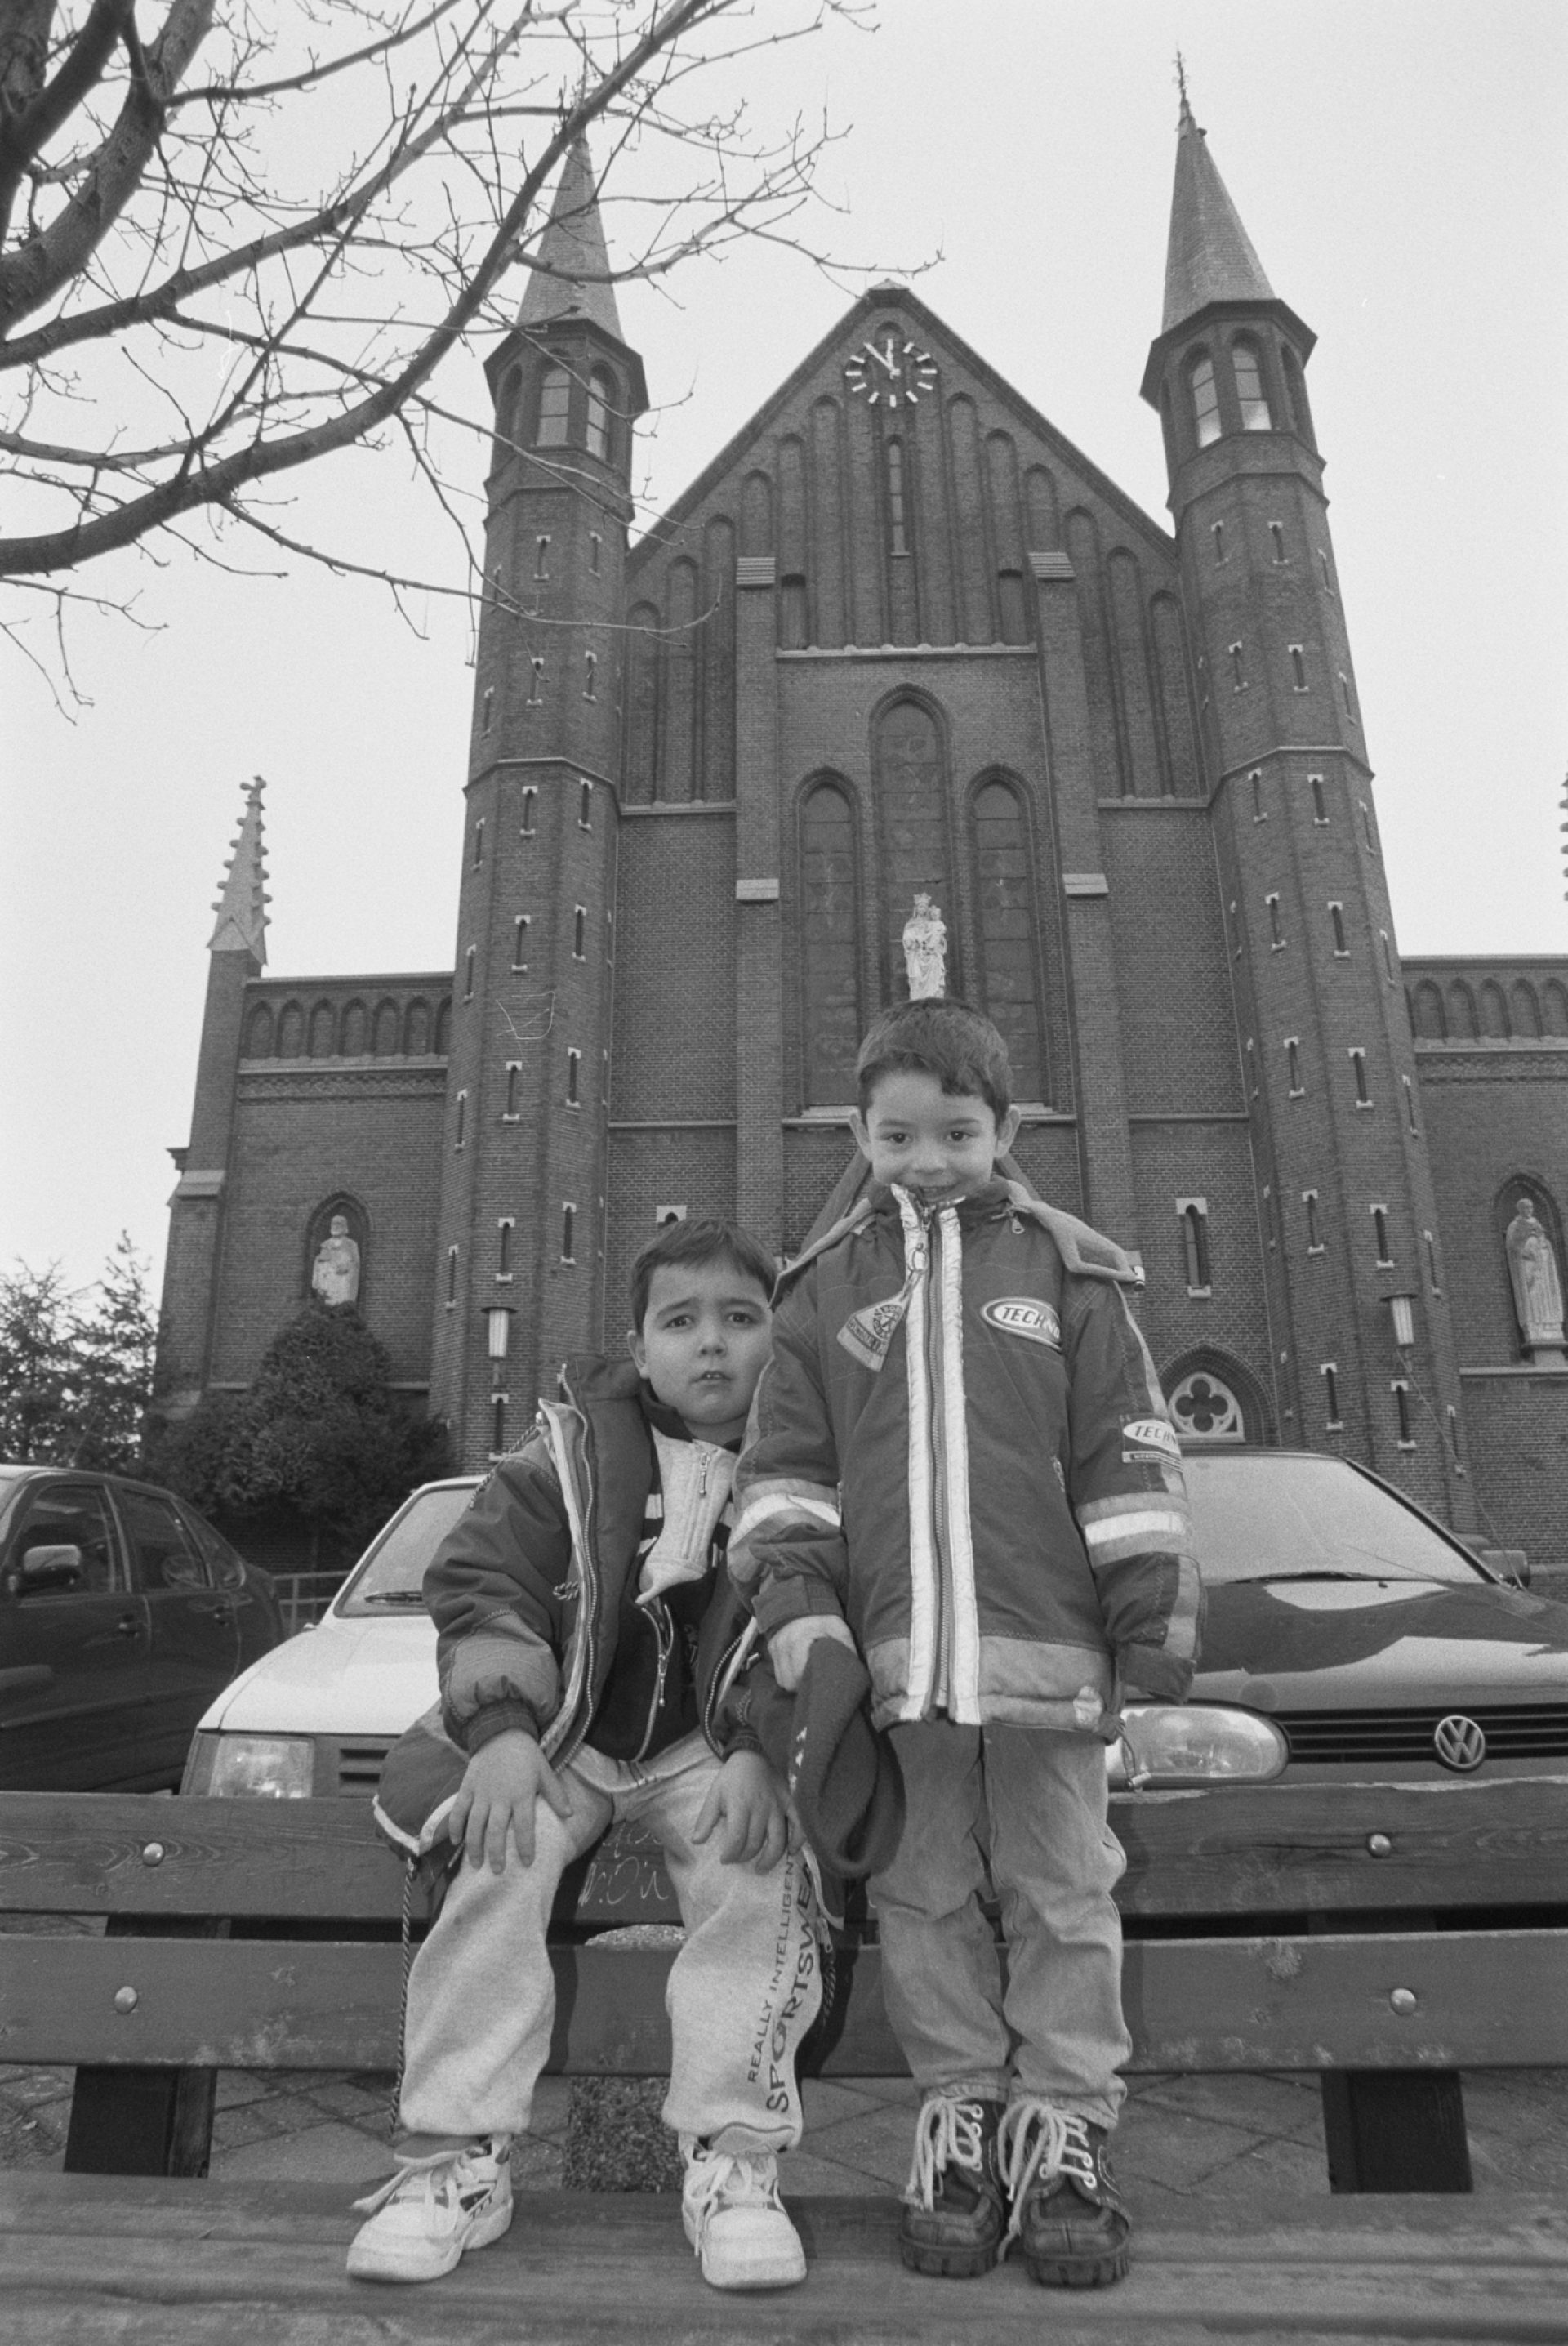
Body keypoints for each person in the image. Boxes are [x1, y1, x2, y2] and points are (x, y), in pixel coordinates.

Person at [730, 997, 1201, 2290]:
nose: (928, 1158)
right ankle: (961, 2119)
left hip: (1048, 1662)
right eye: (898, 1134)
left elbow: (1126, 1454)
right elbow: (784, 1477)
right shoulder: (824, 1286)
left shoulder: (1070, 1273)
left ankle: (1065, 2132)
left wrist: (1148, 1621)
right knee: (922, 1895)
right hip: (898, 1673)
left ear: (1007, 1128)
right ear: (858, 1133)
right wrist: (802, 1616)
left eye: (957, 1131)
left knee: (1064, 1892)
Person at [348, 1218, 820, 2294]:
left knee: (757, 1870)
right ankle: (456, 2159)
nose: (713, 1345)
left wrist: (758, 1751)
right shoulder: (561, 1456)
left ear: (778, 1339)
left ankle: (736, 2161)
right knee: (498, 1857)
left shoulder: (805, 1473)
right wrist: (505, 1734)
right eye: (682, 1321)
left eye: (742, 1320)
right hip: (565, 1740)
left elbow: (806, 1625)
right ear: (638, 1344)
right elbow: (485, 1582)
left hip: (708, 1750)